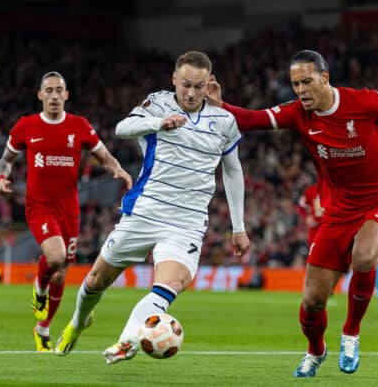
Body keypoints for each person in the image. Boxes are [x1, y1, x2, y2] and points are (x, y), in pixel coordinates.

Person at [207, 49, 378, 376]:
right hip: (337, 213)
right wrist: (221, 106)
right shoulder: (297, 114)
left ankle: (351, 332)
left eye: (306, 81)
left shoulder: (363, 102)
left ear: (324, 77)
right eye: (295, 84)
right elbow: (253, 119)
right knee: (312, 301)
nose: (301, 90)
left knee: (364, 256)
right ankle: (316, 351)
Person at [54, 51, 250, 362]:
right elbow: (122, 128)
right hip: (145, 212)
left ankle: (127, 340)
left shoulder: (223, 121)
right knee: (95, 281)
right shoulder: (158, 103)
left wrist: (238, 227)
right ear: (174, 79)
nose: (191, 93)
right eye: (185, 84)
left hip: (186, 223)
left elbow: (233, 169)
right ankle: (78, 323)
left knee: (170, 285)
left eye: (199, 87)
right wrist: (160, 123)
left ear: (208, 84)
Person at [0, 71, 133, 352]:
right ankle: (39, 286)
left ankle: (42, 330)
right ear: (40, 95)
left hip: (69, 210)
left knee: (60, 272)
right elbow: (6, 160)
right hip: (39, 206)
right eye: (49, 90)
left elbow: (104, 156)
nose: (55, 95)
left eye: (59, 90)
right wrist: (1, 177)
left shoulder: (79, 126)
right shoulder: (26, 126)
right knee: (56, 257)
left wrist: (117, 169)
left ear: (67, 95)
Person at [298, 181, 378, 312]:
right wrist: (307, 217)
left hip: (344, 228)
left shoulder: (342, 186)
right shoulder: (311, 191)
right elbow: (301, 205)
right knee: (321, 266)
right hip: (319, 233)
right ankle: (316, 295)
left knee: (374, 259)